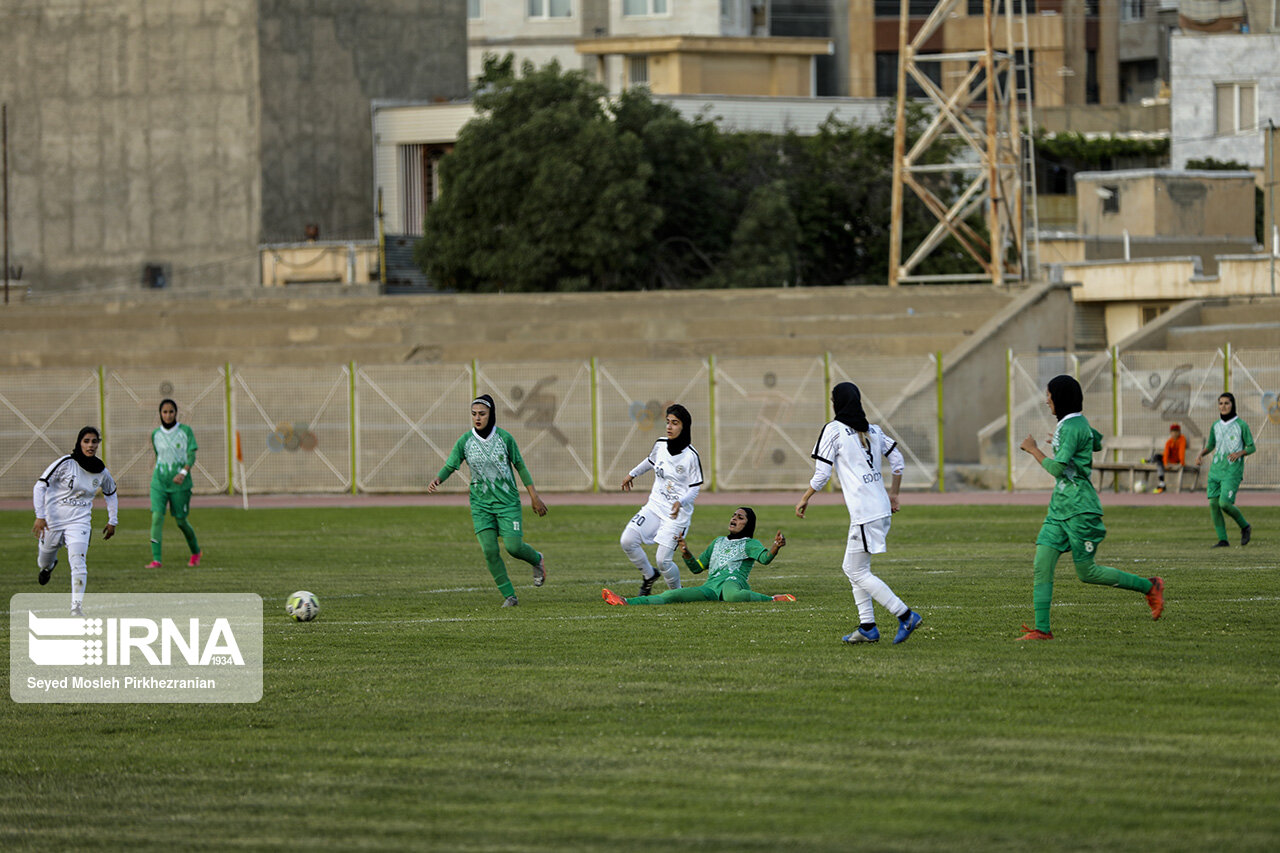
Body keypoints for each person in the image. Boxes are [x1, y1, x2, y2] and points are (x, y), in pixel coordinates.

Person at [1017, 375, 1164, 640]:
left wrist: (1034, 449)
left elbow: (1058, 468)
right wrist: (1066, 442)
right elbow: (1096, 441)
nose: (1046, 399)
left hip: (1080, 509)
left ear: (1059, 398)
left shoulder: (1072, 426)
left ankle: (1149, 586)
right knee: (1042, 563)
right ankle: (1042, 629)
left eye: (1049, 394)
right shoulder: (1072, 424)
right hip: (1060, 509)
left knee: (1087, 572)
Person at [795, 382, 923, 646]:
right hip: (878, 509)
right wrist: (894, 494)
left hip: (866, 512)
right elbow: (898, 461)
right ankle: (868, 627)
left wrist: (805, 498)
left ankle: (906, 615)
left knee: (858, 572)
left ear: (836, 403)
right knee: (853, 568)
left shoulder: (833, 429)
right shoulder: (873, 430)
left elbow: (821, 474)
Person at [428, 394, 548, 607]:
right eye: (474, 414)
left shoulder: (505, 438)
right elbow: (451, 465)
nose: (477, 418)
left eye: (482, 414)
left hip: (507, 502)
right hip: (480, 505)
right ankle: (509, 596)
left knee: (513, 547)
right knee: (489, 551)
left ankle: (536, 559)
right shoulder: (465, 441)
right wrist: (438, 478)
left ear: (491, 415)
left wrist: (534, 496)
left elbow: (520, 466)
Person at [602, 507, 795, 606]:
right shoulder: (717, 541)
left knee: (733, 596)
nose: (734, 518)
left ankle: (773, 599)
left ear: (748, 524)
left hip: (733, 582)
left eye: (740, 517)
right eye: (734, 515)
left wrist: (776, 546)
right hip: (710, 587)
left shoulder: (750, 544)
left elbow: (765, 559)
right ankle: (626, 601)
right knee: (673, 594)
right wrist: (686, 552)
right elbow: (697, 568)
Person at [33, 426, 119, 616]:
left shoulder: (101, 471)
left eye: (94, 441)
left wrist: (112, 521)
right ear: (79, 443)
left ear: (98, 444)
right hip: (53, 521)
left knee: (78, 562)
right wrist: (40, 516)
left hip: (79, 522)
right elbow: (40, 485)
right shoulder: (65, 463)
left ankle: (76, 608)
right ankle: (48, 567)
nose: (90, 445)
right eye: (86, 441)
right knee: (43, 560)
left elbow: (111, 494)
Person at [619, 404, 703, 596]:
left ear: (684, 427)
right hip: (654, 507)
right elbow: (651, 460)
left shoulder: (691, 456)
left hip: (676, 516)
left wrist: (680, 502)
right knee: (627, 540)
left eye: (675, 423)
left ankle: (677, 594)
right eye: (667, 422)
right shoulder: (661, 444)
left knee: (663, 560)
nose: (669, 427)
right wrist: (632, 474)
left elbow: (695, 488)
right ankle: (649, 576)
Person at [146, 398, 201, 568]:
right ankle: (156, 559)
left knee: (181, 521)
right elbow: (158, 455)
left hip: (180, 485)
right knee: (156, 516)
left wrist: (183, 473)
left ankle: (196, 551)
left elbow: (191, 455)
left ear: (176, 413)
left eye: (171, 412)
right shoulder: (156, 434)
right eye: (165, 412)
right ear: (160, 414)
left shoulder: (185, 431)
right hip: (159, 483)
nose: (168, 415)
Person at [1195, 392, 1255, 548]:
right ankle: (1223, 540)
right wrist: (1201, 453)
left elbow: (1251, 447)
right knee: (1214, 505)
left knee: (1224, 503)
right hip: (1215, 471)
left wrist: (1240, 453)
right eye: (1220, 403)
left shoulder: (1241, 425)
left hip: (1232, 471)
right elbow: (1211, 445)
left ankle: (1245, 526)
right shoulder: (1215, 425)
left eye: (1227, 403)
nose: (1223, 406)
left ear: (1233, 405)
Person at [1150, 423, 1186, 495]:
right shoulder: (1169, 442)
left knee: (1158, 460)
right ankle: (1162, 482)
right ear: (1170, 433)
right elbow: (1166, 453)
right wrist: (1166, 463)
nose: (1175, 433)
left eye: (1176, 431)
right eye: (1173, 431)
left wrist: (1182, 463)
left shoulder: (1182, 439)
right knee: (1158, 457)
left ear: (1179, 432)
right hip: (1168, 461)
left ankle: (1150, 461)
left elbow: (1182, 451)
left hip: (1176, 461)